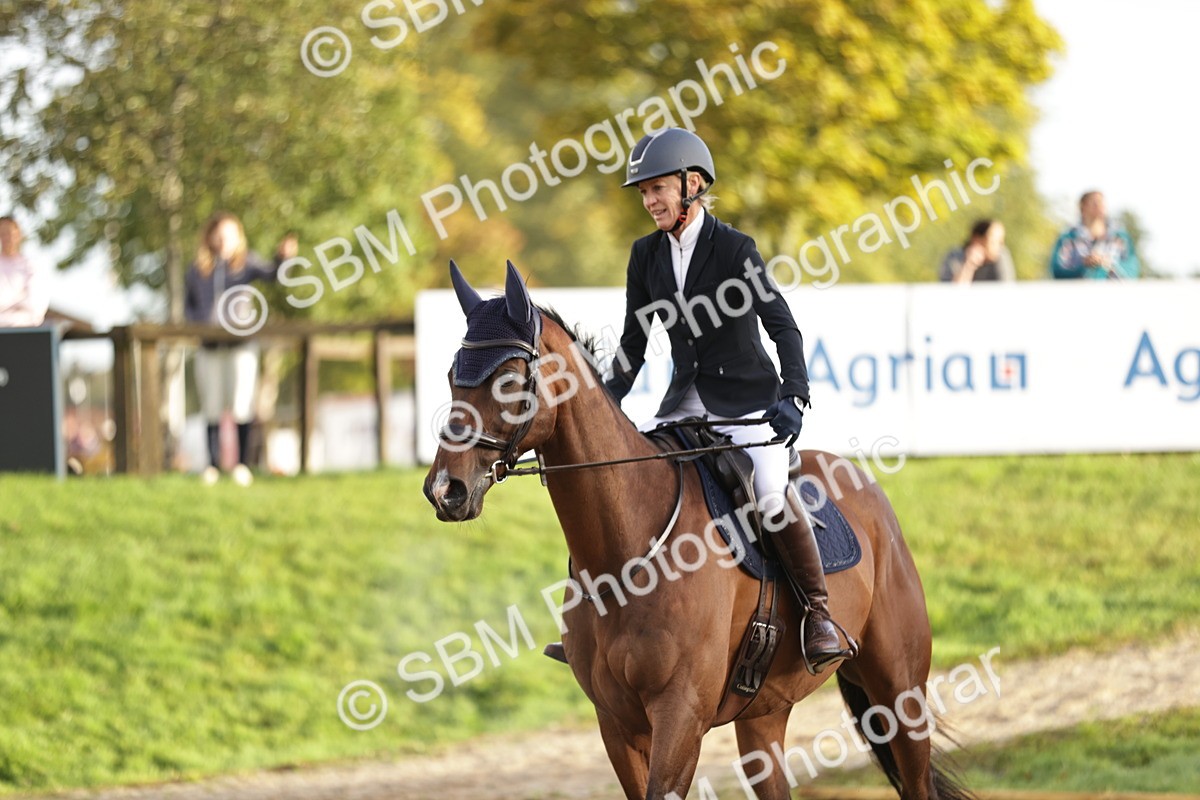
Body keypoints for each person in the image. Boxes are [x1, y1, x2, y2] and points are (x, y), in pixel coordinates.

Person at [545, 128, 852, 673]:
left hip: (747, 408)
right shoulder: (645, 257)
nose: (649, 202)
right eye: (643, 193)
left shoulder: (735, 249)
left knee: (770, 496)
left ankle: (818, 613)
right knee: (613, 485)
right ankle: (585, 626)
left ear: (692, 185)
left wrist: (794, 397)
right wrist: (599, 408)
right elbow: (634, 348)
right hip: (682, 403)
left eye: (657, 189)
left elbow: (784, 329)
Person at [185, 211, 297, 486]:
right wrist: (200, 326)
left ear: (238, 238)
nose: (223, 240)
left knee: (241, 403)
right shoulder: (198, 270)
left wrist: (284, 258)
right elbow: (188, 307)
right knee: (211, 405)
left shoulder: (247, 264)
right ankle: (211, 466)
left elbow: (274, 276)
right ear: (210, 237)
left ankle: (241, 465)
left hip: (241, 345)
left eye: (229, 235)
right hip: (209, 346)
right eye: (219, 234)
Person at [1050, 191, 1140, 279]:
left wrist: (1109, 264)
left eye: (1101, 202)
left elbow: (1132, 270)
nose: (1100, 206)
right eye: (1094, 203)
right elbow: (1057, 271)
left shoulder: (1120, 237)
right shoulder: (1068, 238)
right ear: (1082, 207)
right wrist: (1083, 265)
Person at [0, 215, 49, 327]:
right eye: (2, 233)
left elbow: (35, 304)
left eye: (9, 233)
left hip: (24, 326)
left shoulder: (31, 267)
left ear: (18, 235)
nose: (6, 238)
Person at [939, 219, 1015, 283]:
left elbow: (1006, 291)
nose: (1001, 245)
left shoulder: (1001, 256)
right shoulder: (955, 257)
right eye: (994, 241)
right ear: (977, 240)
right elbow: (952, 294)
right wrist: (969, 265)